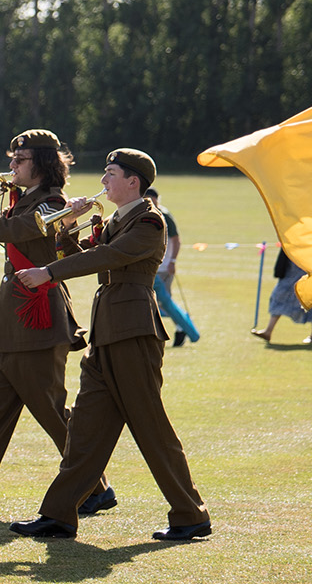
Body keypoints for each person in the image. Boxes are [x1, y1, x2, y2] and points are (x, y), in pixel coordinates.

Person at [11, 149, 211, 542]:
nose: (103, 182)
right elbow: (82, 255)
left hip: (133, 334)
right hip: (106, 334)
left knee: (151, 427)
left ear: (133, 182)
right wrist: (67, 225)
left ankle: (191, 514)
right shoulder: (118, 220)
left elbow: (108, 256)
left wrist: (49, 273)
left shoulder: (149, 221)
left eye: (111, 174)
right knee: (85, 429)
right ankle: (58, 515)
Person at [0, 129, 112, 517]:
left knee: (51, 412)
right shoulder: (26, 199)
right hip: (13, 322)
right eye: (11, 159)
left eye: (20, 160)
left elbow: (6, 231)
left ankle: (95, 487)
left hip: (38, 319)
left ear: (43, 164)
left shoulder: (52, 204)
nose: (12, 166)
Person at [148, 189, 200, 346]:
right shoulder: (144, 214)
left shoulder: (164, 215)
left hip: (163, 268)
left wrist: (172, 261)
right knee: (158, 303)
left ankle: (182, 328)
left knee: (164, 303)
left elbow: (176, 240)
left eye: (153, 201)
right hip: (151, 266)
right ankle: (178, 328)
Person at [254, 247, 312, 345]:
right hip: (291, 270)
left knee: (311, 300)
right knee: (278, 296)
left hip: (307, 270)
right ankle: (268, 331)